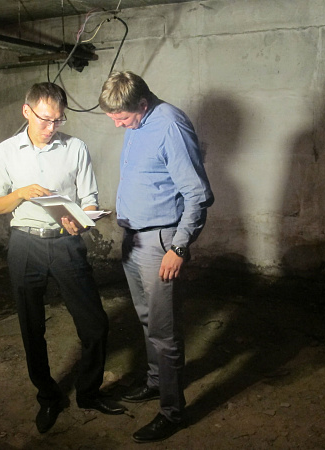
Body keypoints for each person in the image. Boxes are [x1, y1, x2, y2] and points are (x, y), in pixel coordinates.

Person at [0, 82, 125, 435]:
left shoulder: (75, 148)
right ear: (26, 111)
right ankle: (48, 396)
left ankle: (89, 393)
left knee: (95, 324)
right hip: (25, 244)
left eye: (58, 120)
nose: (51, 127)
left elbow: (89, 199)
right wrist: (20, 193)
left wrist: (83, 219)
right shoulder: (6, 152)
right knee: (32, 328)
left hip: (66, 243)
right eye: (45, 119)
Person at [98, 71, 214, 443]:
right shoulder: (138, 123)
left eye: (122, 118)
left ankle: (172, 412)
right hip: (134, 239)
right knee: (147, 319)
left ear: (143, 104)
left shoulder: (170, 126)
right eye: (113, 117)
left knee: (164, 331)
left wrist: (178, 247)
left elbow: (197, 196)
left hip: (160, 241)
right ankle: (155, 382)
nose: (118, 125)